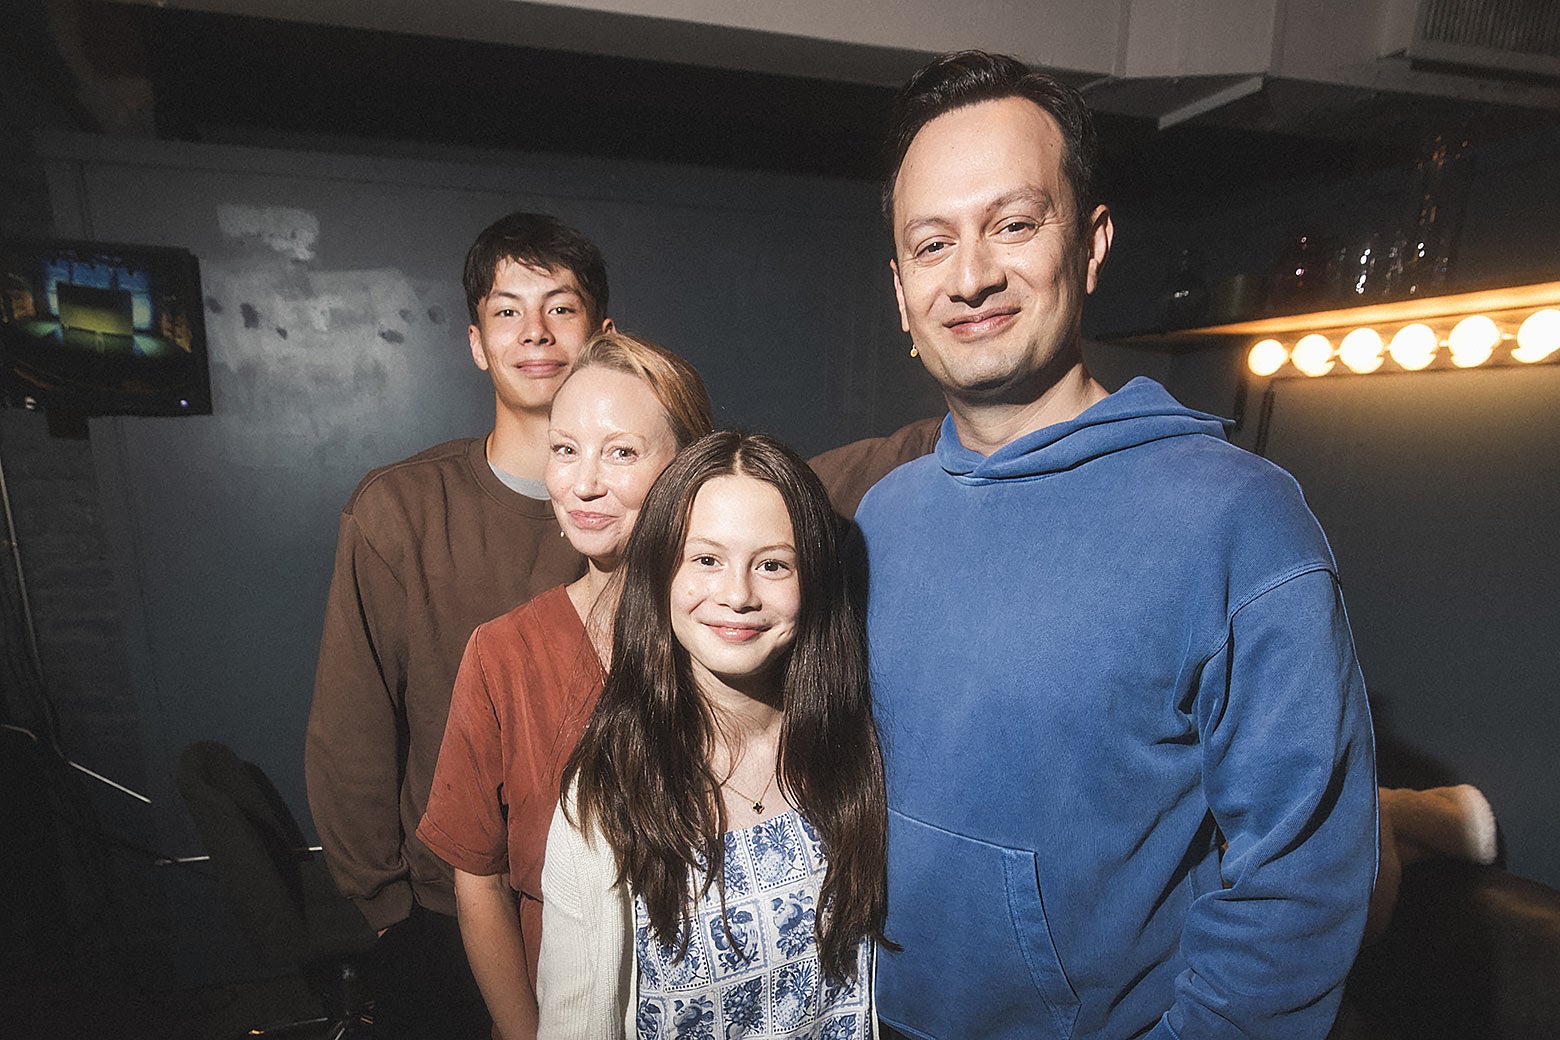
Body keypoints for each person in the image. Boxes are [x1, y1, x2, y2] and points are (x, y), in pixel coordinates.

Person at [855, 50, 1378, 1040]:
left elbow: (1299, 874)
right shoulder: (882, 516)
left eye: (1013, 223)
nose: (971, 276)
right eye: (932, 244)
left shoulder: (1237, 520)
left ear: (1091, 243)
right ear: (900, 288)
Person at [305, 212, 612, 1036]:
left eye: (562, 306)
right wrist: (389, 912)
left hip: (619, 904)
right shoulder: (399, 510)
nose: (536, 332)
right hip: (447, 914)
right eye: (508, 310)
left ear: (603, 336)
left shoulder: (656, 504)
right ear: (478, 341)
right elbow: (351, 728)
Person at [536, 431, 889, 1039]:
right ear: (661, 575)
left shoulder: (855, 753)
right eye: (706, 559)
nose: (737, 594)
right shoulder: (604, 797)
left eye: (773, 564)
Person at [417, 331, 715, 1040]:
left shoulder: (733, 638)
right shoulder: (505, 654)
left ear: (689, 465)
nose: (583, 483)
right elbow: (478, 879)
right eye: (564, 448)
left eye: (621, 451)